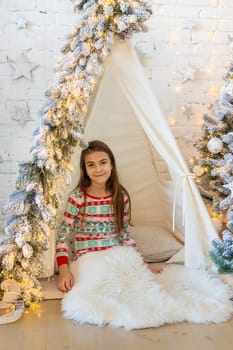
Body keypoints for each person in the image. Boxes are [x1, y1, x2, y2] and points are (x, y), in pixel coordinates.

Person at [56, 140, 161, 292]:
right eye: (91, 165)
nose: (98, 169)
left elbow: (124, 234)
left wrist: (141, 264)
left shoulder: (120, 196)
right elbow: (62, 236)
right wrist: (64, 271)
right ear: (85, 169)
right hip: (88, 257)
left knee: (139, 286)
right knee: (102, 286)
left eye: (103, 162)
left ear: (111, 164)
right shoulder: (78, 197)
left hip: (114, 254)